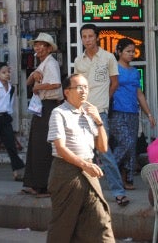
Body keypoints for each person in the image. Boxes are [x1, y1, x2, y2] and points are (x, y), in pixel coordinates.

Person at [46, 74, 115, 243]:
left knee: (100, 219)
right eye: (79, 87)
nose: (84, 91)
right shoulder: (59, 113)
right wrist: (84, 165)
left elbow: (103, 148)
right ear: (67, 92)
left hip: (88, 170)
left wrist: (98, 122)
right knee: (63, 225)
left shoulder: (88, 113)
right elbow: (61, 148)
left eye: (86, 87)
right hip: (66, 172)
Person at [73, 23, 129, 206]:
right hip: (81, 112)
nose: (87, 40)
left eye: (90, 36)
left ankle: (119, 192)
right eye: (84, 37)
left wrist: (104, 100)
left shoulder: (107, 58)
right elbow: (76, 85)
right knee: (81, 153)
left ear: (97, 37)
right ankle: (82, 192)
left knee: (105, 153)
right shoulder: (78, 61)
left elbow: (115, 83)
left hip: (99, 113)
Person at [110, 38, 156, 191]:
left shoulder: (135, 72)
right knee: (126, 142)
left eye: (132, 51)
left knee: (132, 147)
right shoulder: (113, 69)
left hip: (133, 112)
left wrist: (148, 114)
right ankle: (109, 168)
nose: (131, 54)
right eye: (127, 51)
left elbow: (139, 94)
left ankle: (127, 178)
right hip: (116, 111)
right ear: (119, 52)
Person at [21, 32, 62, 197]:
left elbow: (55, 84)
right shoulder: (43, 63)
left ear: (48, 48)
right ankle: (33, 183)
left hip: (48, 106)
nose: (37, 48)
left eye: (40, 45)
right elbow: (28, 81)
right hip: (42, 107)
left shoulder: (51, 63)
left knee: (42, 146)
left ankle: (41, 185)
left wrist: (38, 87)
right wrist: (33, 76)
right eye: (36, 45)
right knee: (36, 144)